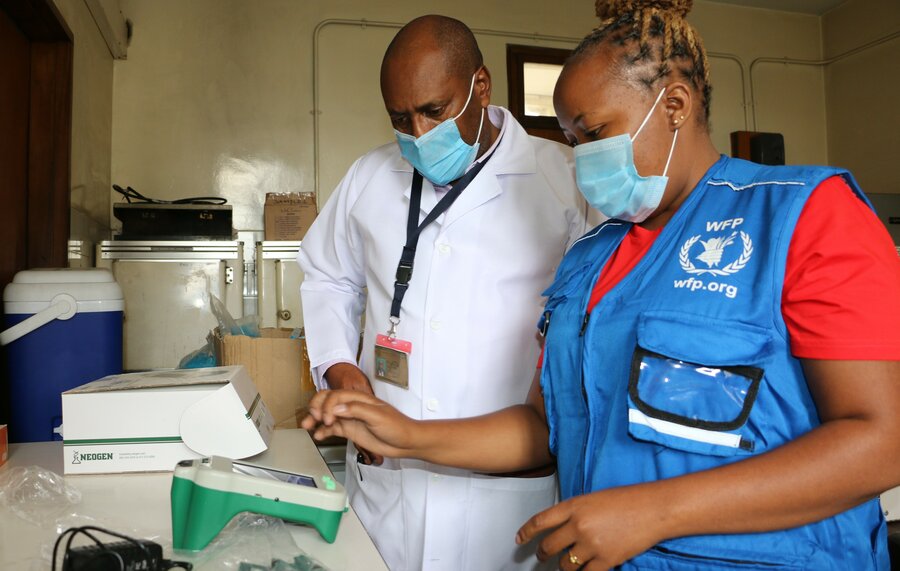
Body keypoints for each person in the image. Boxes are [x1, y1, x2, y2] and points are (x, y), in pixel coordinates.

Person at [302, 1, 900, 569]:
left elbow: (883, 440)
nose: (582, 158)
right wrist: (404, 433)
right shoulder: (591, 257)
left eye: (595, 132)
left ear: (674, 105)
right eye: (573, 139)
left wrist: (655, 513)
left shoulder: (804, 216)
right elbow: (546, 429)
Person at [296, 14, 592, 571]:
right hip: (388, 491)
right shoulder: (369, 177)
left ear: (481, 86)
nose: (419, 133)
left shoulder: (563, 182)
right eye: (400, 119)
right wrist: (340, 368)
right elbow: (328, 274)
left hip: (503, 498)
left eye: (434, 111)